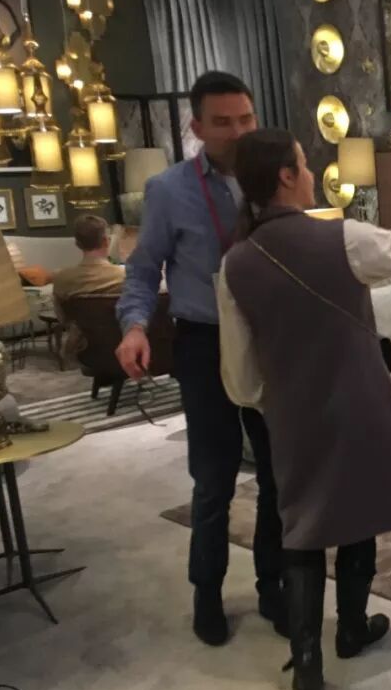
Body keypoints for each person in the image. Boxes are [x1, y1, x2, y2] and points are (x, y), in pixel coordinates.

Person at [217, 128, 391, 690]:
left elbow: (240, 376)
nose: (309, 173)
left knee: (302, 526)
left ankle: (307, 657)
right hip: (360, 402)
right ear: (286, 176)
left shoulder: (234, 264)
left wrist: (278, 400)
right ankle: (351, 628)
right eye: (303, 163)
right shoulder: (341, 237)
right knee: (359, 514)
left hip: (290, 416)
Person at [115, 72, 286, 648]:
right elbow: (142, 270)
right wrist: (134, 327)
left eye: (246, 118)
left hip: (266, 341)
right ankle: (207, 593)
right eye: (222, 122)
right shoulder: (168, 190)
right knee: (214, 479)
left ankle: (273, 586)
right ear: (196, 127)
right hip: (204, 342)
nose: (237, 131)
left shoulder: (275, 179)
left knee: (277, 474)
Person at [53, 215, 126, 361]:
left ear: (77, 244)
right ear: (106, 241)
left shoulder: (62, 278)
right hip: (126, 346)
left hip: (87, 352)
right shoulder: (126, 275)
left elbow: (63, 318)